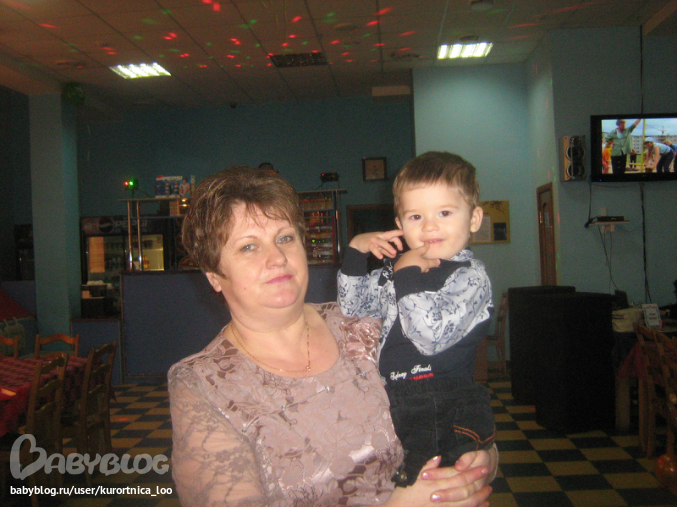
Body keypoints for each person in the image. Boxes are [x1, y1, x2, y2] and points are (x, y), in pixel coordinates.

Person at [169, 166, 498, 507]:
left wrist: (478, 463)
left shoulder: (364, 324)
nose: (277, 258)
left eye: (285, 238)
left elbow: (449, 409)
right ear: (214, 276)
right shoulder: (202, 385)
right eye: (249, 247)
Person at [337, 152, 495, 487]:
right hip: (393, 398)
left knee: (429, 490)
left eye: (445, 213)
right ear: (400, 224)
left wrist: (407, 274)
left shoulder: (470, 277)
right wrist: (356, 254)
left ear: (474, 218)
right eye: (416, 216)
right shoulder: (397, 271)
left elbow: (429, 337)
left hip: (443, 404)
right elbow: (354, 308)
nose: (429, 226)